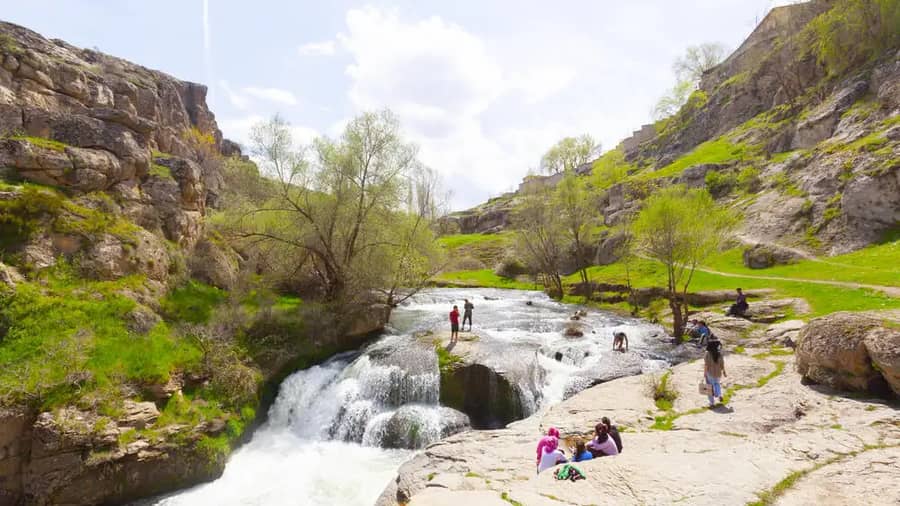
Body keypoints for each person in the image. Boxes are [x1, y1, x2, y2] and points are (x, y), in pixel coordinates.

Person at [704, 339, 727, 407]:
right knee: (717, 384)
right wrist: (724, 371)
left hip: (710, 373)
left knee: (709, 387)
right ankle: (719, 395)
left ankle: (712, 403)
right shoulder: (719, 353)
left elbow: (706, 365)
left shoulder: (707, 353)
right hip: (718, 372)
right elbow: (722, 364)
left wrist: (705, 373)